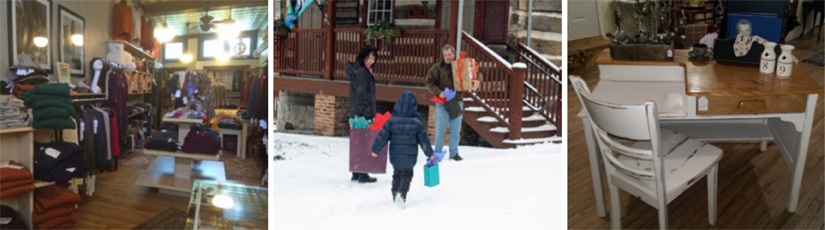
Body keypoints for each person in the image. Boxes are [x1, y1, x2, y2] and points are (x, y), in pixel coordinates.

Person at [371, 91, 436, 205]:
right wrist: (430, 153)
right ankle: (402, 193)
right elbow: (424, 141)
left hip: (395, 156)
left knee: (397, 173)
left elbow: (382, 136)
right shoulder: (417, 123)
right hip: (410, 157)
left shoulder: (392, 122)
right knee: (407, 175)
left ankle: (395, 192)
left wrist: (375, 150)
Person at [425, 44, 479, 161]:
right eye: (445, 55)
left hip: (457, 101)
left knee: (456, 130)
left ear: (454, 54)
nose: (448, 57)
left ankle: (454, 153)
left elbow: (474, 74)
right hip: (442, 102)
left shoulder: (461, 66)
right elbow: (429, 82)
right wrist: (438, 92)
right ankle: (437, 154)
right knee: (440, 130)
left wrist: (475, 82)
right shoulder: (437, 68)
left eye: (449, 54)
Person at [347, 45, 379, 183]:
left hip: (356, 112)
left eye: (373, 58)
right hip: (361, 113)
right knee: (364, 143)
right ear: (363, 56)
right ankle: (362, 173)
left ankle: (356, 171)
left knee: (357, 142)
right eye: (369, 57)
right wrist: (366, 112)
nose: (371, 60)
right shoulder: (362, 73)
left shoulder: (364, 71)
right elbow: (362, 94)